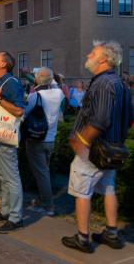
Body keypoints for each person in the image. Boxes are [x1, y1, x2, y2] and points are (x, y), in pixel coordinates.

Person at [62, 41, 133, 253]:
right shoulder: (121, 83)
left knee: (83, 192)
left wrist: (80, 141)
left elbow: (100, 120)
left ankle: (83, 238)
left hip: (93, 150)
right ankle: (112, 233)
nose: (88, 55)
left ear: (103, 59)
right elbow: (129, 116)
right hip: (112, 149)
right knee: (108, 188)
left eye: (92, 53)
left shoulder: (102, 83)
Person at [0, 51, 25, 233]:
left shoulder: (12, 84)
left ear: (4, 64)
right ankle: (6, 211)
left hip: (6, 136)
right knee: (2, 176)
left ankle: (16, 217)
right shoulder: (1, 82)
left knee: (11, 177)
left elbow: (18, 111)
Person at [24, 67, 64, 217]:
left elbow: (24, 113)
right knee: (44, 172)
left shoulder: (36, 96)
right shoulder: (59, 93)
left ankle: (48, 206)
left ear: (36, 80)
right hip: (51, 138)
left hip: (36, 139)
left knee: (42, 175)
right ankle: (43, 201)